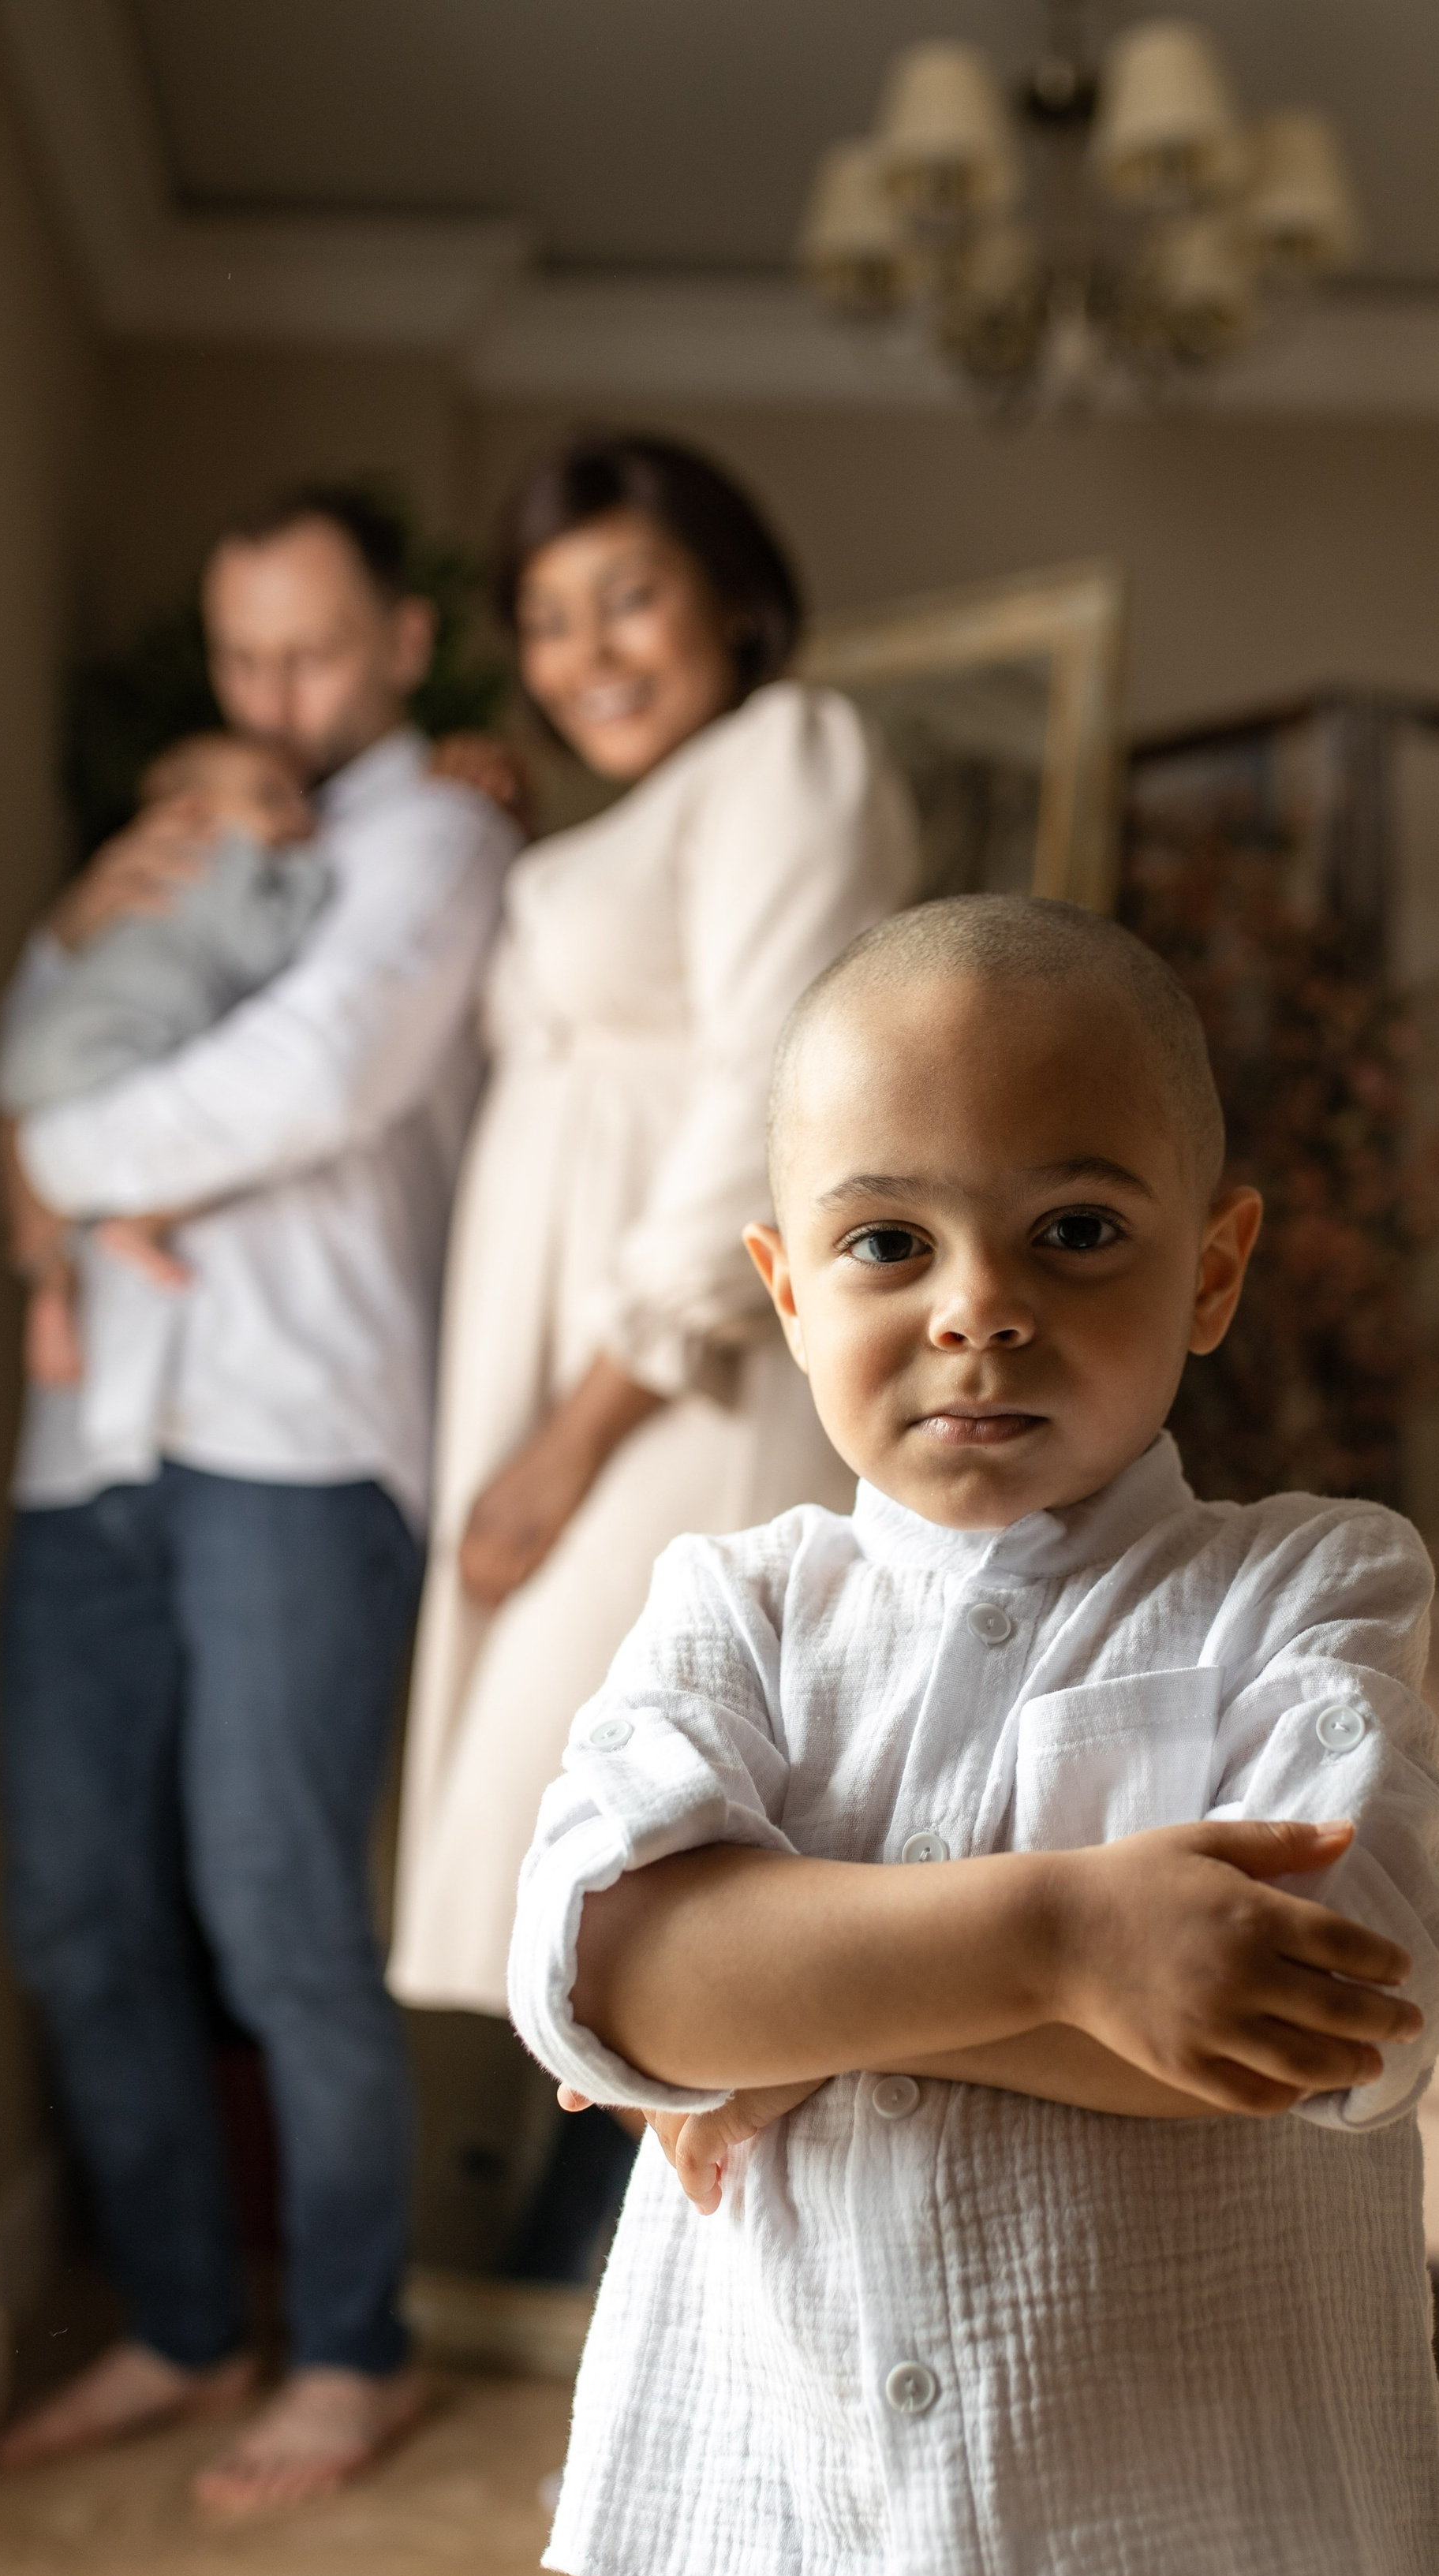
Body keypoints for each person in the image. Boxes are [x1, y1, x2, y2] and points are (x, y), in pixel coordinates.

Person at [511, 896, 1439, 2576]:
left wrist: (828, 2002)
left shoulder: (1306, 1592)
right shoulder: (735, 1616)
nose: (977, 1313)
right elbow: (612, 1970)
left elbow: (1329, 2007)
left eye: (1073, 1232)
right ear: (782, 1289)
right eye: (888, 1246)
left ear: (1212, 1266)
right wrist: (1067, 1932)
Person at [0, 487, 520, 2512]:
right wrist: (63, 960)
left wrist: (48, 1169)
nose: (275, 695)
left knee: (281, 1907)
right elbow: (57, 1019)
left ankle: (354, 2348)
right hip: (93, 1440)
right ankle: (186, 2321)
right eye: (241, 657)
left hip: (300, 1439)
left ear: (401, 641)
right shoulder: (189, 817)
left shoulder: (440, 835)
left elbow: (313, 1082)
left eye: (313, 652)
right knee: (73, 1897)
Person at [387, 436, 915, 2254]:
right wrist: (496, 825)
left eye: (628, 596)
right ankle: (619, 2248)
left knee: (635, 1795)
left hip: (677, 1372)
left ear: (728, 596)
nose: (587, 649)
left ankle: (668, 2262)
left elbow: (774, 1079)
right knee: (596, 1809)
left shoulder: (793, 751)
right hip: (567, 1361)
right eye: (543, 618)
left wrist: (576, 1425)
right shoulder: (628, 807)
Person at [0, 731, 331, 1400]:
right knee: (213, 1142)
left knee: (55, 1198)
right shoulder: (221, 860)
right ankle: (139, 1221)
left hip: (39, 1056)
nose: (298, 818)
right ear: (193, 816)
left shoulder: (147, 880)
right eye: (271, 800)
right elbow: (262, 944)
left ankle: (52, 1295)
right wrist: (316, 875)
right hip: (102, 1048)